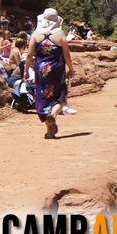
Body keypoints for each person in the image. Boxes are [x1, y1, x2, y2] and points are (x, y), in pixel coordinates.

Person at [24, 8, 73, 140]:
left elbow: (29, 54)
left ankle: (49, 130)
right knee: (59, 96)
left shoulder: (36, 34)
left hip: (40, 70)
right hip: (57, 69)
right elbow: (66, 54)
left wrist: (26, 70)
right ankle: (54, 115)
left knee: (42, 97)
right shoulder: (60, 34)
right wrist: (71, 68)